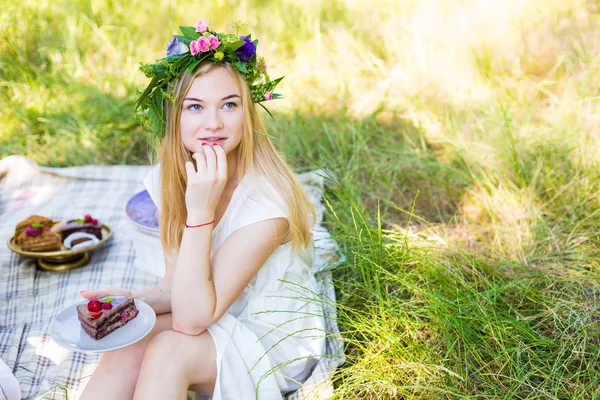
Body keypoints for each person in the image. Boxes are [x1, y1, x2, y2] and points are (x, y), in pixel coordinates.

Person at [79, 20, 326, 400]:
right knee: (129, 340)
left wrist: (201, 214)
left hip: (268, 338)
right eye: (195, 107)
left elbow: (192, 319)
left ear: (249, 113)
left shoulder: (268, 203)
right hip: (207, 307)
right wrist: (133, 302)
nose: (213, 123)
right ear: (174, 118)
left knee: (168, 353)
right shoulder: (177, 176)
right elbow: (176, 286)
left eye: (229, 104)